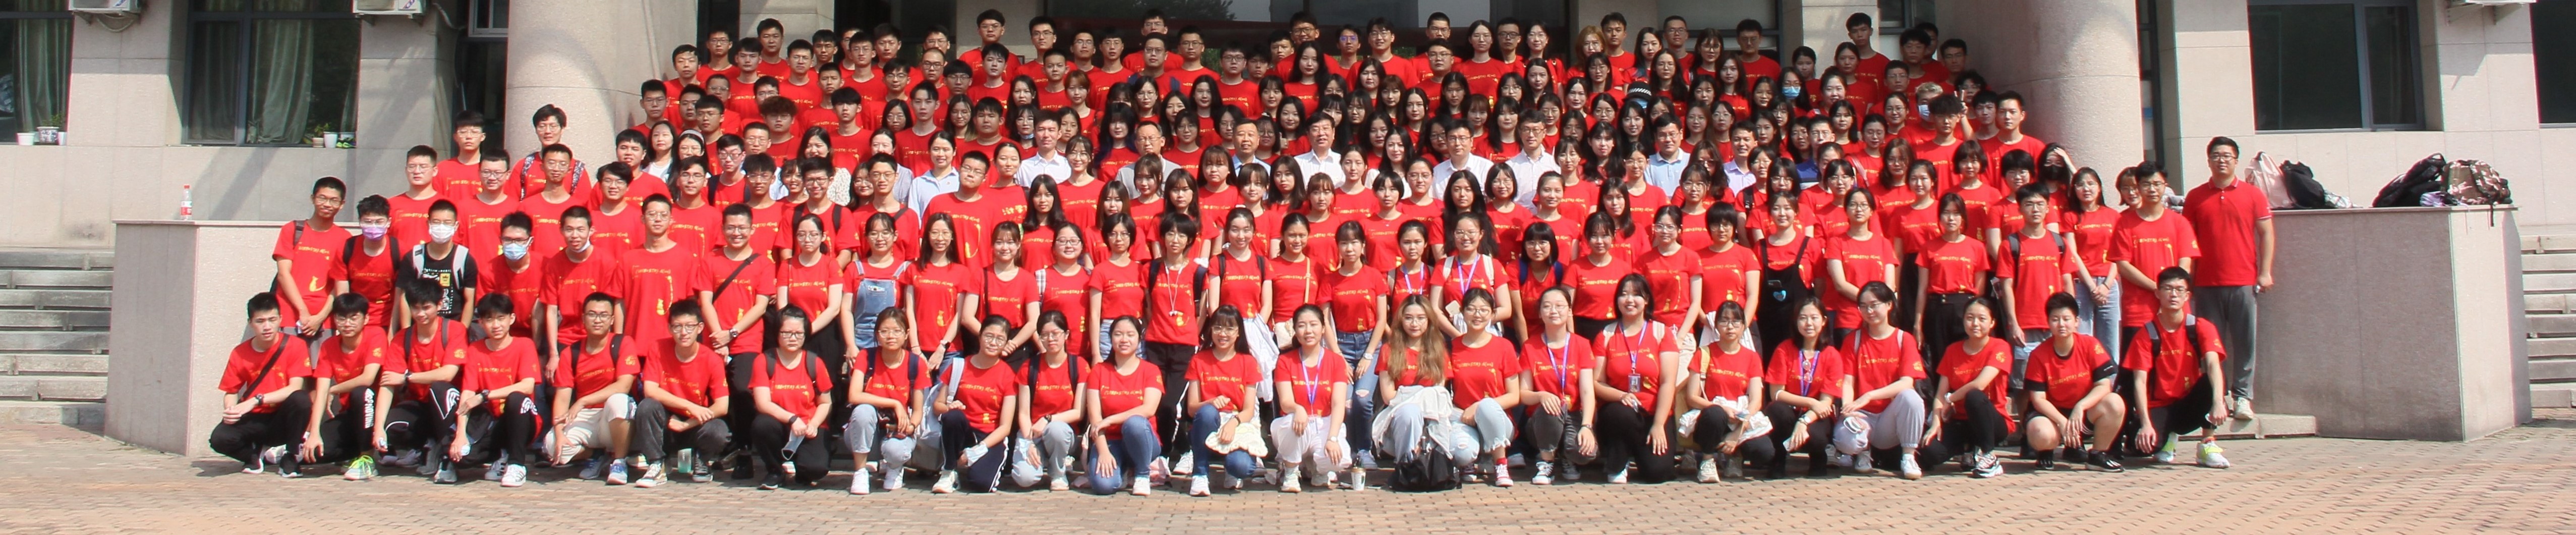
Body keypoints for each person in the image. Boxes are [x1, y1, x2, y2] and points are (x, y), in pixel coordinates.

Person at [2181, 137, 2271, 421]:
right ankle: (2216, 397)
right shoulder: (2195, 197)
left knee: (2245, 342)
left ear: (2236, 160)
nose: (2222, 160)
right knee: (2210, 345)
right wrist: (2188, 280)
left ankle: (2243, 397)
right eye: (2216, 156)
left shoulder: (2253, 195)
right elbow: (2187, 241)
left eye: (2227, 156)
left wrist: (2265, 272)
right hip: (2205, 283)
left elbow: (2266, 233)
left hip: (2243, 280)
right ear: (2209, 161)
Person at [2123, 267, 2235, 469]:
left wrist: (2219, 402)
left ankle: (2208, 444)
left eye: (2179, 290)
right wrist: (2146, 424)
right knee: (2142, 448)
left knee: (2211, 378)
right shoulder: (2147, 334)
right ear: (2158, 293)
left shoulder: (2200, 327)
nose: (2173, 295)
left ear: (2187, 296)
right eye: (2167, 289)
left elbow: (2212, 364)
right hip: (2159, 405)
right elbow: (2140, 381)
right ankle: (2168, 440)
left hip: (2189, 403)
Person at [1589, 275, 1685, 484]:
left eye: (1636, 295)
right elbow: (1596, 383)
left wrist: (1659, 424)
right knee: (1619, 414)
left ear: (1647, 300)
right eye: (1624, 294)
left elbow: (1668, 383)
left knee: (1658, 473)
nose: (1629, 300)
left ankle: (1641, 454)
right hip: (1620, 412)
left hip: (1653, 413)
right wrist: (1621, 396)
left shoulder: (1661, 333)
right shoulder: (1606, 335)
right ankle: (1618, 462)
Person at [209, 292, 316, 477]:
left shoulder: (296, 346)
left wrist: (256, 400)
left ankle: (291, 456)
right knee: (219, 439)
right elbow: (231, 391)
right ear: (251, 323)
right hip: (255, 419)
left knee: (301, 399)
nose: (267, 327)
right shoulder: (240, 353)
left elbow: (295, 388)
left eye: (272, 320)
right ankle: (253, 457)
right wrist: (231, 411)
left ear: (280, 319)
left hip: (282, 417)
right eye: (260, 321)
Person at [631, 299, 734, 488]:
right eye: (677, 327)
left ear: (700, 328)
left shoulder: (712, 359)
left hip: (694, 423)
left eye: (689, 326)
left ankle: (702, 460)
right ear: (670, 329)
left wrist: (687, 424)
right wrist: (689, 406)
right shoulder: (658, 348)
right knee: (647, 407)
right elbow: (650, 390)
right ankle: (657, 463)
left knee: (719, 430)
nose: (684, 332)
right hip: (667, 420)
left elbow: (722, 406)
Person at [1831, 282, 1928, 479]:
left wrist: (1869, 396)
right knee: (1844, 439)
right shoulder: (1853, 340)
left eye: (1874, 305)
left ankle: (1909, 457)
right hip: (1863, 416)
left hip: (1889, 419)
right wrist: (1849, 409)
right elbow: (1848, 382)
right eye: (1864, 306)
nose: (1869, 311)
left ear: (1889, 305)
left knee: (1911, 398)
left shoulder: (1904, 339)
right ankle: (1863, 452)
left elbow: (1907, 383)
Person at [2022, 292, 2127, 472]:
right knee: (2041, 434)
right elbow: (2038, 399)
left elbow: (2104, 386)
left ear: (2077, 321)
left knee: (2115, 403)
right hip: (2053, 416)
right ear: (2048, 323)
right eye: (2055, 319)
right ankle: (2046, 452)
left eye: (2066, 319)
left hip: (2083, 414)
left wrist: (2081, 407)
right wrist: (2062, 422)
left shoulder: (2090, 345)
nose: (2061, 324)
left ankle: (2098, 455)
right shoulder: (2039, 355)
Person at [448, 295, 544, 487]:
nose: (496, 325)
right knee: (463, 458)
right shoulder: (475, 349)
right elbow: (468, 394)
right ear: (481, 323)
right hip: (492, 424)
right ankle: (500, 456)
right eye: (490, 320)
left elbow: (527, 386)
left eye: (501, 318)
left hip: (522, 419)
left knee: (517, 399)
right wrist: (460, 435)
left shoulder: (524, 345)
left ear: (512, 319)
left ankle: (517, 465)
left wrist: (485, 396)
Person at [548, 293, 641, 485]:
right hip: (586, 417)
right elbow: (562, 398)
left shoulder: (622, 343)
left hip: (612, 416)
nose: (598, 320)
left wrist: (583, 401)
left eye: (603, 315)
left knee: (618, 400)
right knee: (552, 445)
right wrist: (559, 433)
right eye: (592, 315)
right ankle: (596, 455)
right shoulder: (571, 353)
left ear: (612, 320)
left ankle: (619, 461)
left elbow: (624, 386)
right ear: (583, 319)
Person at [1682, 301, 1777, 483]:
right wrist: (1721, 408)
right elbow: (1692, 397)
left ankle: (1736, 457)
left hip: (1740, 418)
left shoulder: (1752, 357)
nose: (1730, 327)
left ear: (1743, 326)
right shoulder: (1704, 353)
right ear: (1716, 325)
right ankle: (1708, 460)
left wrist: (1738, 432)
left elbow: (1756, 401)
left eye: (1736, 322)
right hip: (1712, 417)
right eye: (1724, 321)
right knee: (1715, 414)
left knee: (1764, 452)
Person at [1433, 289, 1521, 487]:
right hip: (1464, 418)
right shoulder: (1452, 347)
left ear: (1492, 314)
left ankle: (1500, 464)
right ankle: (1469, 463)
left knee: (1488, 406)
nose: (1477, 315)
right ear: (1463, 313)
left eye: (1484, 310)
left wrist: (1479, 406)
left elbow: (1514, 396)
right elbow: (1441, 387)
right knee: (1462, 453)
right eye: (1471, 309)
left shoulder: (1504, 347)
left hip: (1496, 420)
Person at [844, 308, 936, 495]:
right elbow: (854, 395)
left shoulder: (916, 363)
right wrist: (895, 403)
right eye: (884, 331)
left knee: (896, 451)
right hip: (866, 430)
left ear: (907, 334)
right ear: (877, 334)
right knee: (863, 411)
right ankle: (860, 472)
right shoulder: (866, 357)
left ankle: (895, 467)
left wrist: (910, 427)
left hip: (897, 429)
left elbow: (918, 410)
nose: (890, 336)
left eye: (897, 331)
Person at [1918, 297, 2012, 478]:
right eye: (1970, 318)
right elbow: (1940, 395)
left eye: (1982, 319)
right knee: (1929, 452)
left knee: (1974, 396)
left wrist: (1951, 399)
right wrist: (1936, 423)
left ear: (1992, 323)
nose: (1975, 324)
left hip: (1993, 422)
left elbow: (1980, 384)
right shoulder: (1953, 350)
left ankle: (1988, 456)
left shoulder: (2000, 347)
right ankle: (1969, 449)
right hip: (1961, 421)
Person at [745, 306, 837, 490]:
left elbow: (826, 402)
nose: (793, 338)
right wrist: (792, 419)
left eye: (799, 334)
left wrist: (814, 424)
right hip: (780, 424)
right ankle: (775, 471)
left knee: (816, 469)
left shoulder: (814, 362)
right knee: (762, 425)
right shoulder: (764, 361)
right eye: (787, 333)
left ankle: (802, 469)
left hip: (808, 427)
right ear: (777, 333)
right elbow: (763, 404)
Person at [1517, 287, 1598, 485]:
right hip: (1543, 419)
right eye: (1547, 306)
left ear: (1570, 311)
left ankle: (1569, 457)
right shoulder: (1530, 346)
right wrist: (1541, 396)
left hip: (1574, 414)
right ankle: (1546, 462)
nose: (1554, 311)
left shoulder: (1581, 344)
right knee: (1550, 407)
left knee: (1585, 453)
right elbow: (1523, 394)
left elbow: (1587, 391)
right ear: (1540, 313)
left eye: (1560, 306)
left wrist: (1587, 426)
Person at [934, 316, 1023, 494]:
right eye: (989, 336)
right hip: (964, 431)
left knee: (982, 484)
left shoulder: (1008, 375)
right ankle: (949, 471)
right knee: (953, 417)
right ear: (980, 336)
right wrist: (950, 408)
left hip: (990, 437)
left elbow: (1005, 427)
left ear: (1006, 343)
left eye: (1000, 339)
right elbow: (938, 405)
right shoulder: (959, 366)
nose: (993, 343)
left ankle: (971, 465)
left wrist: (980, 449)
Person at [306, 293, 391, 480]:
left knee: (362, 393)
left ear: (366, 319)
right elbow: (321, 392)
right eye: (342, 318)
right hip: (350, 414)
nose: (347, 324)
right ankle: (351, 454)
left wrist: (334, 390)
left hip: (377, 412)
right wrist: (314, 433)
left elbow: (368, 378)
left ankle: (367, 458)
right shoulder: (329, 346)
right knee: (312, 454)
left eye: (354, 318)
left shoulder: (376, 335)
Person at [1271, 304, 1356, 492]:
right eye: (1302, 326)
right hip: (1297, 425)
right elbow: (1285, 402)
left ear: (1324, 329)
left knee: (1340, 458)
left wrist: (1332, 438)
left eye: (1313, 325)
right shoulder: (1285, 361)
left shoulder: (1335, 361)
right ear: (1295, 330)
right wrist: (1298, 409)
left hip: (1324, 423)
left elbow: (1338, 404)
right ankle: (1291, 471)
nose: (1308, 331)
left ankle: (1320, 470)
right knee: (1292, 422)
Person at [1183, 306, 1264, 496]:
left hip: (1237, 424)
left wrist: (1233, 424)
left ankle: (1232, 469)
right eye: (1218, 328)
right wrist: (1210, 403)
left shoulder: (1248, 362)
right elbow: (1192, 408)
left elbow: (1249, 410)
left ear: (1238, 333)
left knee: (1241, 467)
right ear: (1211, 330)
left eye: (1229, 329)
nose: (1223, 334)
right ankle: (1200, 474)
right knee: (1207, 412)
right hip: (1207, 424)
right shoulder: (1199, 360)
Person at [1761, 297, 1843, 478]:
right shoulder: (1784, 349)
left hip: (1816, 416)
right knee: (1776, 410)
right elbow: (1777, 394)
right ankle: (1779, 458)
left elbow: (1826, 403)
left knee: (1818, 437)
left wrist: (1804, 421)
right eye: (1803, 318)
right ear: (1796, 321)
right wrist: (1810, 402)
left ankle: (1818, 457)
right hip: (1790, 411)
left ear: (1824, 321)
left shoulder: (1832, 355)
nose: (1809, 323)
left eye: (1814, 318)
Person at [1084, 317, 1165, 495]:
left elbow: (1149, 409)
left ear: (1139, 339)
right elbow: (1096, 419)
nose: (1124, 340)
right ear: (1110, 338)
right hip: (1111, 440)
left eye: (1130, 335)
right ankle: (1124, 471)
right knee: (1104, 486)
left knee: (1134, 423)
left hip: (1142, 439)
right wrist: (1103, 452)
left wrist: (1112, 419)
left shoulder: (1151, 370)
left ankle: (1142, 474)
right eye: (1118, 334)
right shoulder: (1099, 371)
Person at [1012, 312, 1085, 491]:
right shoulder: (1029, 367)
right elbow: (1024, 413)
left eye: (1055, 334)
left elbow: (1079, 412)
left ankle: (1058, 473)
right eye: (1045, 335)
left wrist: (1048, 419)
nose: (1050, 339)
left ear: (1066, 335)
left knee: (1056, 429)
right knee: (1025, 478)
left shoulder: (1079, 365)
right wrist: (1028, 442)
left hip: (1062, 434)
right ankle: (1043, 460)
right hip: (1033, 433)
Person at [273, 177, 352, 339]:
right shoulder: (292, 230)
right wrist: (303, 311)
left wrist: (320, 318)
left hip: (325, 322)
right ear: (313, 199)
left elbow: (339, 285)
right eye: (322, 198)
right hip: (289, 317)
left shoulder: (345, 238)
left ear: (342, 204)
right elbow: (283, 274)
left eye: (334, 200)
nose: (327, 204)